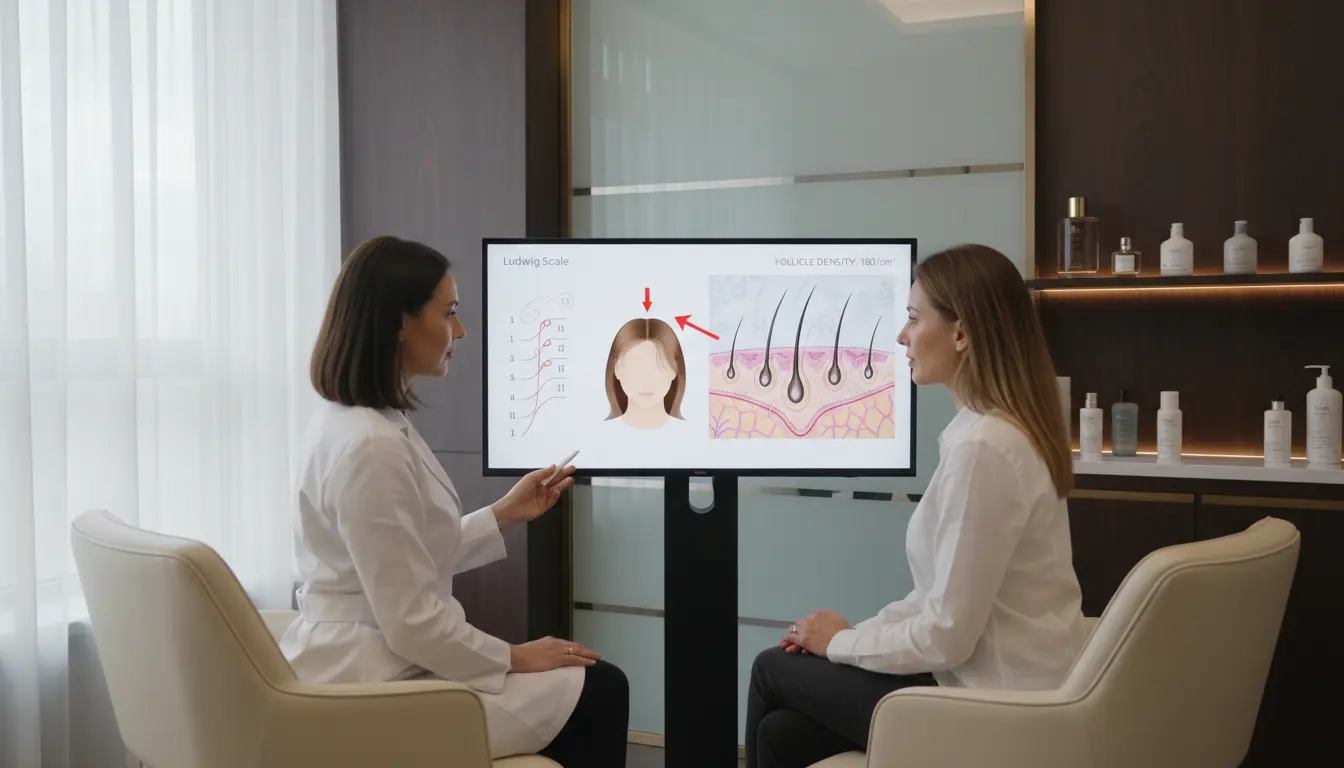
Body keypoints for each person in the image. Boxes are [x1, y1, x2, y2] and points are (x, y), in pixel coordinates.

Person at [280, 235, 629, 766]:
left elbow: (397, 559)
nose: (460, 331)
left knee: (592, 683)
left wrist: (503, 515)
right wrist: (514, 657)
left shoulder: (355, 422)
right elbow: (411, 620)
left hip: (369, 658)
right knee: (602, 689)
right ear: (400, 321)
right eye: (450, 313)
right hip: (374, 685)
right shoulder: (371, 447)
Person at [744, 244, 1090, 768]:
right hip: (984, 684)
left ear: (961, 333)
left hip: (993, 708)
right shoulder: (986, 433)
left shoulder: (986, 449)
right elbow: (935, 600)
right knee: (782, 733)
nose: (902, 337)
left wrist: (838, 644)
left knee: (772, 668)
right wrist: (853, 635)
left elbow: (945, 636)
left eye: (911, 318)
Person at [602, 317, 688, 430]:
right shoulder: (597, 435)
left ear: (675, 370)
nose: (646, 382)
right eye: (636, 367)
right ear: (617, 369)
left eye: (658, 367)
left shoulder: (691, 435)